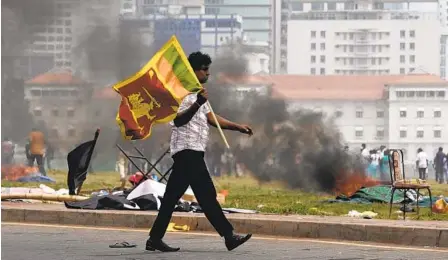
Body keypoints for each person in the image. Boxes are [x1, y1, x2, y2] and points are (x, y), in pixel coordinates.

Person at [146, 51, 253, 252]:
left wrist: (237, 127)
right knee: (206, 194)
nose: (208, 74)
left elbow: (211, 118)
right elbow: (178, 121)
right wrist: (197, 103)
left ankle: (154, 238)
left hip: (193, 151)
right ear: (192, 71)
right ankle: (229, 236)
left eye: (208, 69)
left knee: (172, 197)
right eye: (204, 69)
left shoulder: (198, 93)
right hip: (186, 151)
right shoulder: (180, 93)